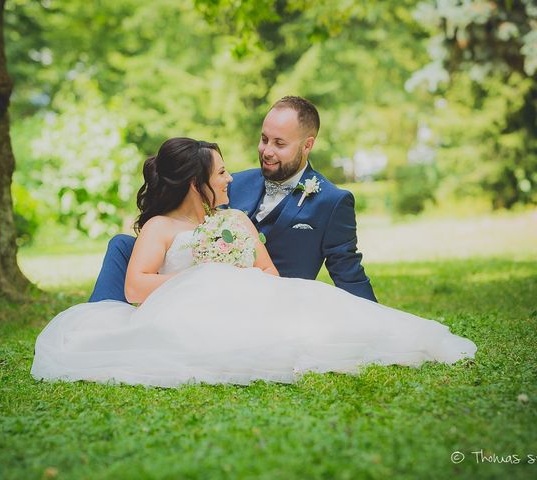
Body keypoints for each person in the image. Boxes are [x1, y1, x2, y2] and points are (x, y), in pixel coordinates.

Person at [31, 137, 476, 387]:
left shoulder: (237, 220)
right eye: (221, 172)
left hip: (251, 306)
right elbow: (134, 289)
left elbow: (270, 274)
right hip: (189, 317)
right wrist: (202, 281)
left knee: (322, 317)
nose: (231, 178)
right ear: (195, 182)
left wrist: (239, 278)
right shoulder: (160, 229)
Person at [89, 96, 377, 304]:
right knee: (123, 245)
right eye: (264, 139)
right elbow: (186, 217)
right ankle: (101, 317)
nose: (266, 151)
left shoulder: (332, 201)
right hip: (200, 275)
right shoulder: (233, 182)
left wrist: (369, 314)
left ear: (307, 145)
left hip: (270, 294)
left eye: (279, 144)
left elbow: (348, 272)